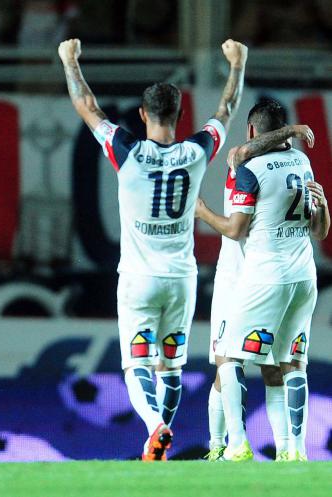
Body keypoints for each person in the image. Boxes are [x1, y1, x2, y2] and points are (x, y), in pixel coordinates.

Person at [58, 37, 247, 460]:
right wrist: (237, 65)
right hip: (181, 279)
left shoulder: (127, 151)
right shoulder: (196, 151)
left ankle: (154, 427)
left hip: (139, 279)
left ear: (143, 115)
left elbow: (87, 106)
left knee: (137, 364)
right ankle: (158, 443)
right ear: (179, 115)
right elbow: (226, 110)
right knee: (172, 367)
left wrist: (70, 61)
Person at [196, 99, 330, 461]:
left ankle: (233, 445)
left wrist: (203, 212)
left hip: (259, 276)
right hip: (297, 275)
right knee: (287, 364)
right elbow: (319, 230)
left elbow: (235, 228)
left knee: (229, 359)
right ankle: (291, 450)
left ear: (252, 130)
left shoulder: (247, 166)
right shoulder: (301, 161)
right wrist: (292, 133)